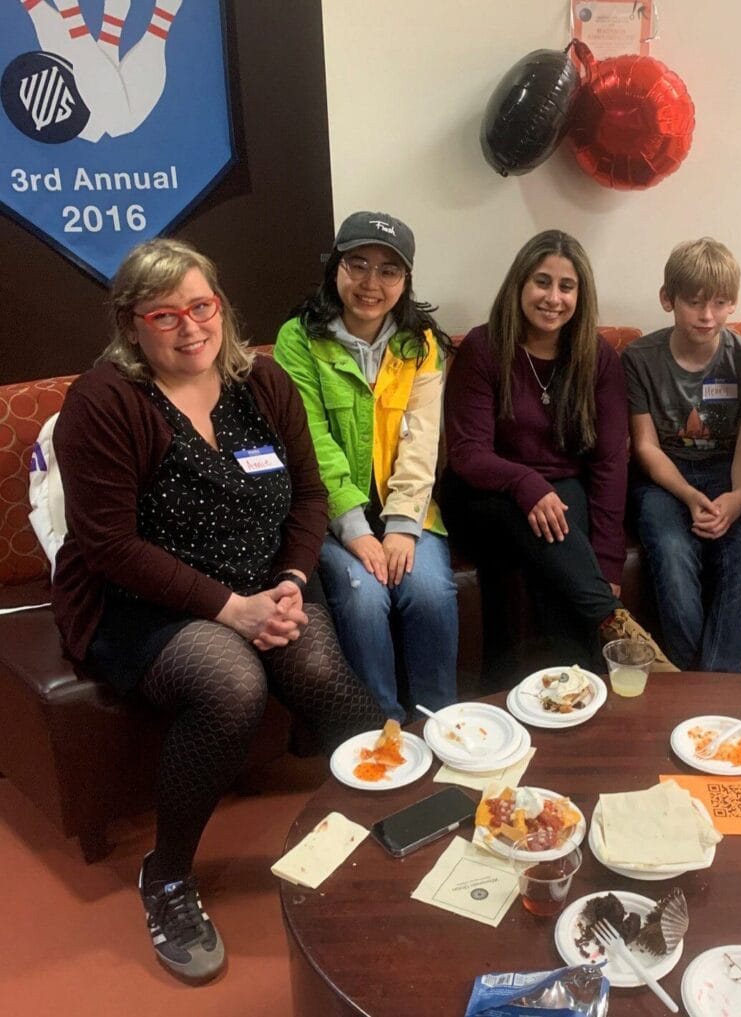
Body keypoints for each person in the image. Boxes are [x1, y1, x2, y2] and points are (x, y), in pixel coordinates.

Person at [51, 239, 385, 984]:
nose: (190, 327)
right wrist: (228, 608)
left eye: (201, 306)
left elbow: (306, 495)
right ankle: (167, 877)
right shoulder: (104, 401)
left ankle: (399, 813)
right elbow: (108, 543)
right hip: (138, 601)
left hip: (264, 580)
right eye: (164, 314)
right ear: (131, 324)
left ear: (221, 308)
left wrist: (294, 577)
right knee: (233, 683)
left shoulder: (260, 380)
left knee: (320, 666)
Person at [442, 229, 669, 682]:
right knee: (535, 516)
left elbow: (608, 463)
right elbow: (468, 453)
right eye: (542, 282)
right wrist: (527, 484)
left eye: (567, 286)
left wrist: (607, 564)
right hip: (480, 496)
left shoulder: (598, 359)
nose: (553, 297)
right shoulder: (484, 349)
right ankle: (612, 632)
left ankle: (531, 690)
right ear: (519, 285)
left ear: (580, 295)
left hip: (560, 498)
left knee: (552, 525)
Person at [274, 211, 458, 721]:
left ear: (406, 280)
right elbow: (308, 442)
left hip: (407, 506)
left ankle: (440, 723)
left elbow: (423, 442)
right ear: (336, 267)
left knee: (430, 592)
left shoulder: (420, 345)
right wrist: (354, 530)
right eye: (358, 264)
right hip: (332, 514)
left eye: (388, 270)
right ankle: (381, 730)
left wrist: (402, 526)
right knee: (362, 596)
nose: (371, 283)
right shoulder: (300, 338)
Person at [623, 238, 741, 673]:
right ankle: (689, 680)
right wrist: (686, 494)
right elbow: (645, 445)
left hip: (730, 473)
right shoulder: (639, 358)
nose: (707, 316)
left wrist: (739, 498)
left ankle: (716, 686)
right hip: (664, 478)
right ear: (669, 299)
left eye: (720, 303)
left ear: (733, 304)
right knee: (671, 550)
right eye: (695, 302)